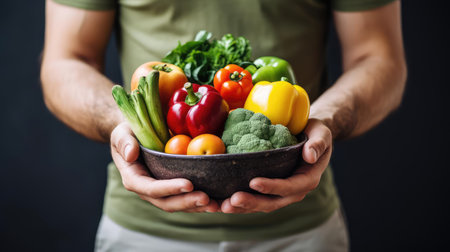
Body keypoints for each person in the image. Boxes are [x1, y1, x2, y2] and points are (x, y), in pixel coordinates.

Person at [41, 0, 406, 251]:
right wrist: (128, 124)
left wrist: (321, 118)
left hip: (300, 233)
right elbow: (65, 61)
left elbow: (380, 58)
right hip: (144, 234)